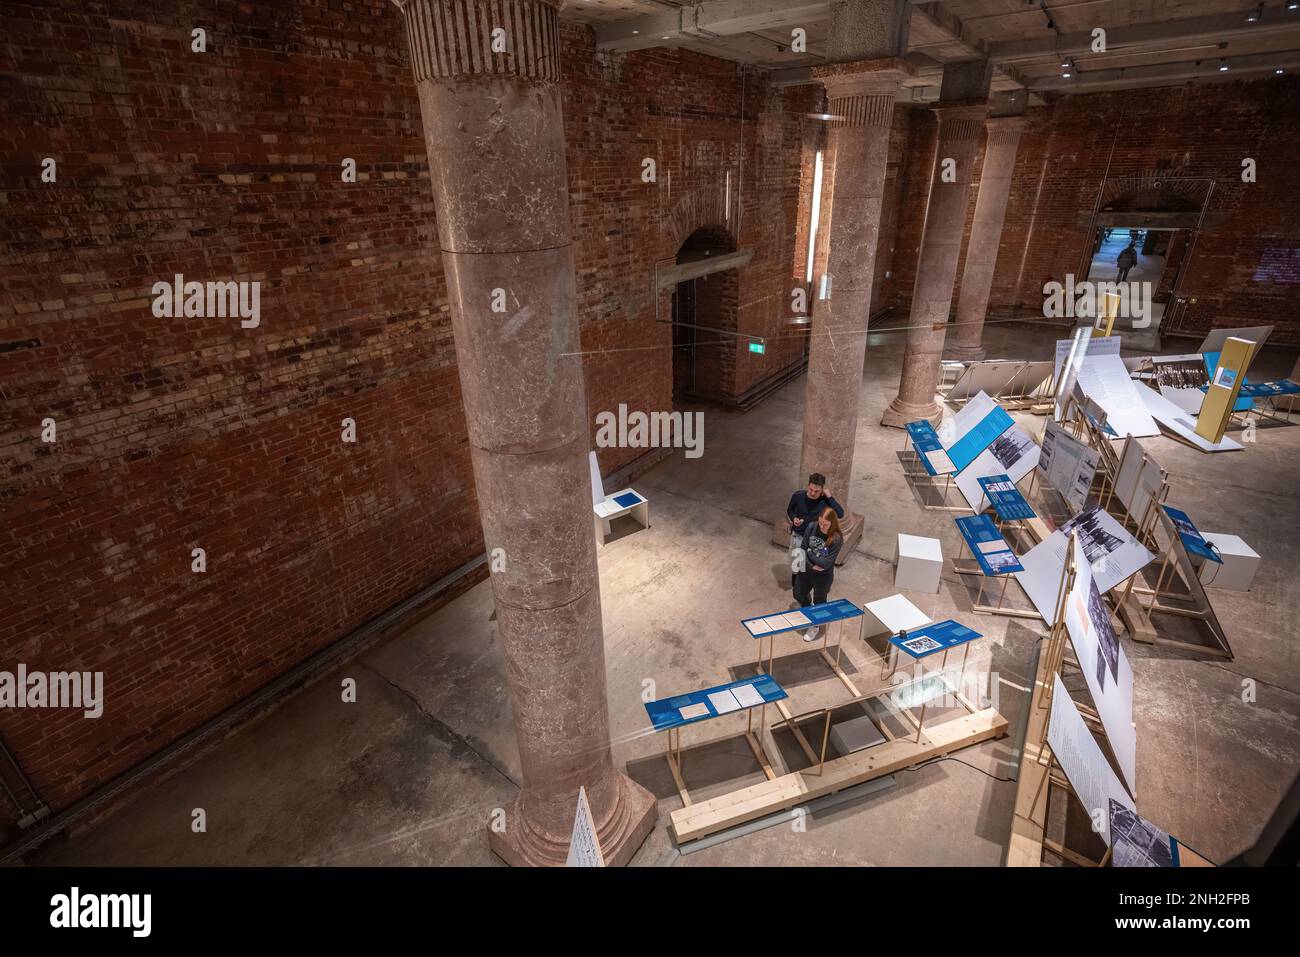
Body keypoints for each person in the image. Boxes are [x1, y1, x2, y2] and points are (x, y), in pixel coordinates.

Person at [785, 473, 845, 588]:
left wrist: (829, 497)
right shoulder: (798, 496)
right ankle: (796, 585)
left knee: (818, 563)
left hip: (818, 538)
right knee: (796, 564)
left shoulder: (825, 501)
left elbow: (840, 514)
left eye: (816, 491)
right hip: (799, 534)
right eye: (811, 489)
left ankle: (816, 584)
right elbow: (790, 509)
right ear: (808, 485)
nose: (812, 493)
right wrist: (794, 518)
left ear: (822, 489)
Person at [794, 508, 843, 641]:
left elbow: (826, 564)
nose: (822, 526)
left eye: (825, 525)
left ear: (832, 523)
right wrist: (813, 563)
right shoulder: (812, 526)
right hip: (807, 570)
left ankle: (815, 626)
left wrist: (810, 553)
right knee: (798, 594)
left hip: (823, 577)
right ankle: (809, 613)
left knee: (820, 602)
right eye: (820, 523)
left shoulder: (836, 539)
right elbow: (803, 548)